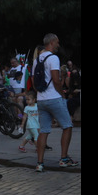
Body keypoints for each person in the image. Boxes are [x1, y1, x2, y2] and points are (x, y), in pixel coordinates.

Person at [34, 34, 78, 171]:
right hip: (54, 98)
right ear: (52, 42)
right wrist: (61, 94)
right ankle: (64, 158)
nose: (58, 45)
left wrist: (39, 94)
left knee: (44, 130)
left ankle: (40, 163)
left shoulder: (37, 59)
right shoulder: (53, 58)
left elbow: (34, 81)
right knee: (67, 126)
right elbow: (56, 79)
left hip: (41, 99)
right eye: (57, 42)